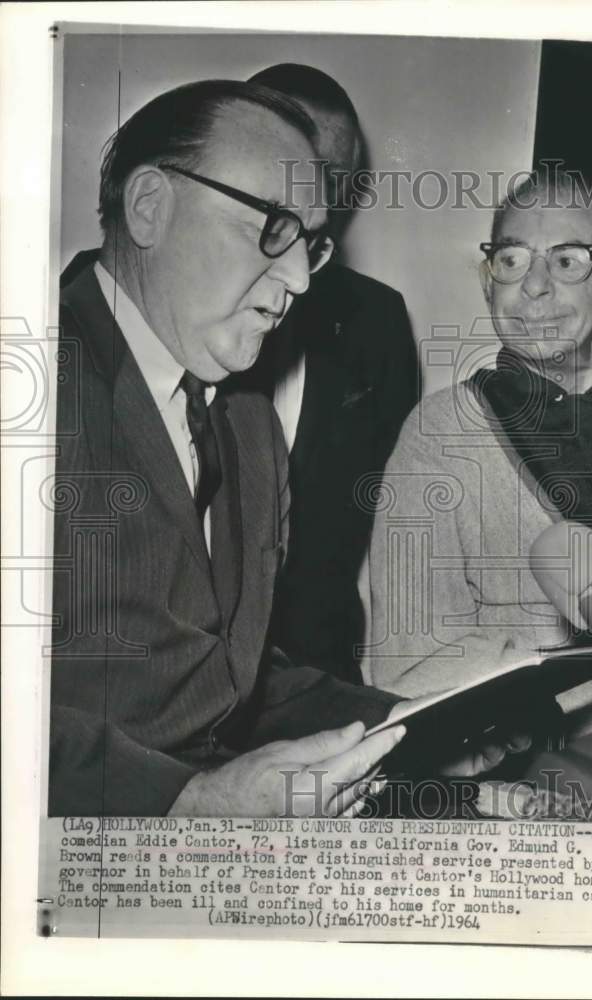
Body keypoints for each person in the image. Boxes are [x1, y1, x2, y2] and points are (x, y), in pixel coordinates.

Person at [50, 79, 410, 818]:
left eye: (311, 244)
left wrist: (420, 721)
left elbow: (226, 685)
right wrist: (188, 803)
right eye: (274, 227)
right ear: (150, 205)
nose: (301, 281)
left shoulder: (249, 426)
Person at [363, 168, 592, 714]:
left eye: (567, 260)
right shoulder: (440, 433)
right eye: (512, 261)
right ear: (490, 282)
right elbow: (406, 663)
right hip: (521, 784)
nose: (533, 285)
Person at [240, 65, 420, 683]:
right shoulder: (119, 301)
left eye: (335, 182)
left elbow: (390, 524)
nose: (320, 205)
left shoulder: (378, 320)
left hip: (320, 682)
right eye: (299, 174)